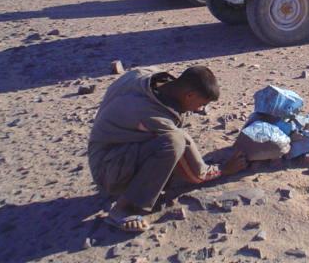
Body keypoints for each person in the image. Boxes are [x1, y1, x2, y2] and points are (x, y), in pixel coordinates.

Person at [88, 65, 247, 232]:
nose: (200, 110)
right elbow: (196, 173)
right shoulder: (154, 117)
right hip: (107, 171)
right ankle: (124, 208)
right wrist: (223, 169)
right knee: (173, 143)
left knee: (169, 146)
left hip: (105, 149)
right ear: (189, 95)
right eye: (201, 104)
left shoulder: (145, 76)